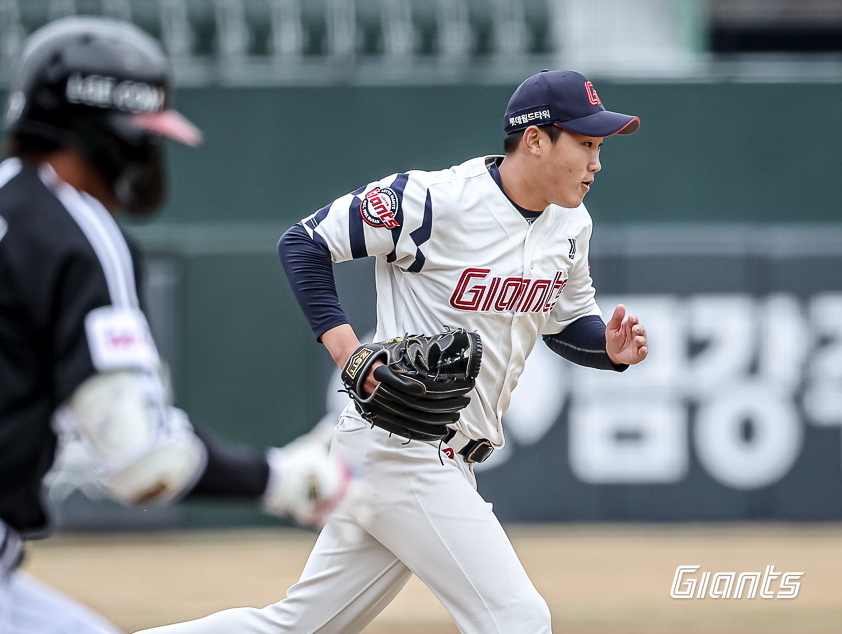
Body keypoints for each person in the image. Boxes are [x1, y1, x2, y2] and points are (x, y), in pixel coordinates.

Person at [136, 69, 649, 634]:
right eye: (585, 144)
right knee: (517, 618)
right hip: (403, 445)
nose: (596, 163)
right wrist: (352, 356)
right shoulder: (433, 201)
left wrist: (608, 348)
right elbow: (303, 243)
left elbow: (565, 321)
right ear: (535, 140)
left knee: (299, 628)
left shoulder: (572, 225)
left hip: (432, 455)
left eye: (598, 147)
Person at [0, 17, 349, 634]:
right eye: (148, 135)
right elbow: (145, 460)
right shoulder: (74, 230)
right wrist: (283, 479)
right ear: (110, 133)